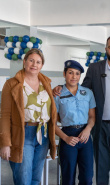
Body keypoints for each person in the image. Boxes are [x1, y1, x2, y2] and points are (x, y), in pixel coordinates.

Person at [53, 35, 110, 185]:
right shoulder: (95, 68)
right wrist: (62, 87)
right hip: (101, 127)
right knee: (101, 169)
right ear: (106, 49)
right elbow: (82, 91)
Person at [0, 48, 57, 185]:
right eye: (31, 60)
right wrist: (5, 143)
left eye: (38, 62)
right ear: (24, 61)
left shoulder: (46, 84)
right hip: (22, 134)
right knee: (23, 179)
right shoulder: (12, 84)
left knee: (36, 179)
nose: (34, 64)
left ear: (41, 65)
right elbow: (5, 114)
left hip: (42, 135)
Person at [54, 60, 96, 185]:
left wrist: (87, 130)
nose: (74, 77)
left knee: (87, 177)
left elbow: (92, 117)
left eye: (77, 74)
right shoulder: (57, 94)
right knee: (68, 177)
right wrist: (65, 138)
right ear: (64, 74)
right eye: (70, 73)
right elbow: (52, 123)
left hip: (85, 137)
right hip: (68, 136)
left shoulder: (88, 93)